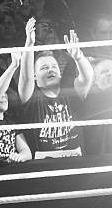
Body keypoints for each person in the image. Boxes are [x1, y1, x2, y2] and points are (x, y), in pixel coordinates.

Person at [18, 18, 94, 158]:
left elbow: (87, 78)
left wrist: (79, 57)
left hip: (76, 163)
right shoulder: (33, 98)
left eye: (54, 67)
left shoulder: (70, 93)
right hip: (45, 168)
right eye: (44, 68)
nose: (51, 70)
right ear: (35, 76)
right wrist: (29, 44)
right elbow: (26, 78)